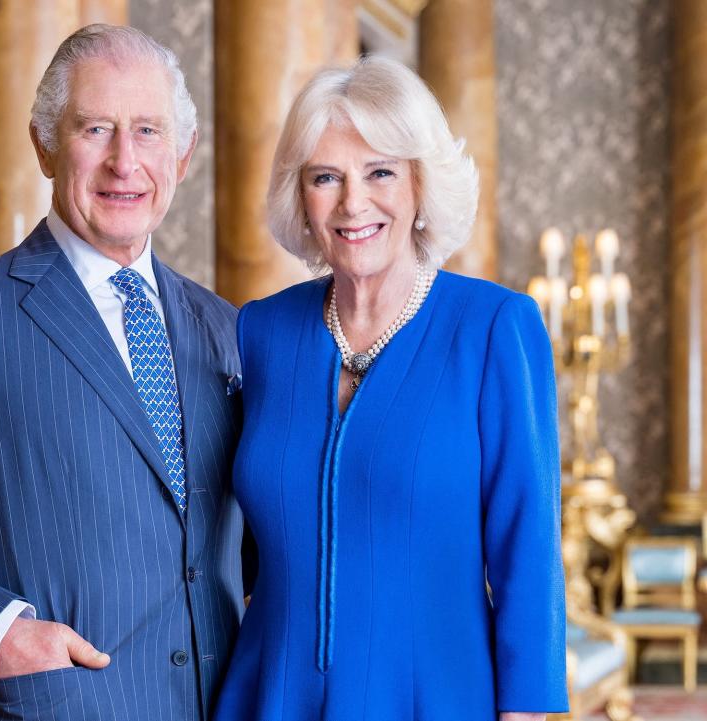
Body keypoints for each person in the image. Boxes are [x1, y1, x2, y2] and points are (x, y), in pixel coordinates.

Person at [0, 24, 245, 721]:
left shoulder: (229, 329)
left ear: (184, 155)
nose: (126, 162)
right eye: (96, 128)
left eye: (148, 131)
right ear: (45, 143)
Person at [213, 57, 568, 721]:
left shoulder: (494, 327)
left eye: (380, 172)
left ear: (418, 185)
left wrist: (526, 710)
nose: (353, 202)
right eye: (326, 177)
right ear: (302, 197)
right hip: (271, 691)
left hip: (436, 694)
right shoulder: (262, 330)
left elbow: (529, 544)